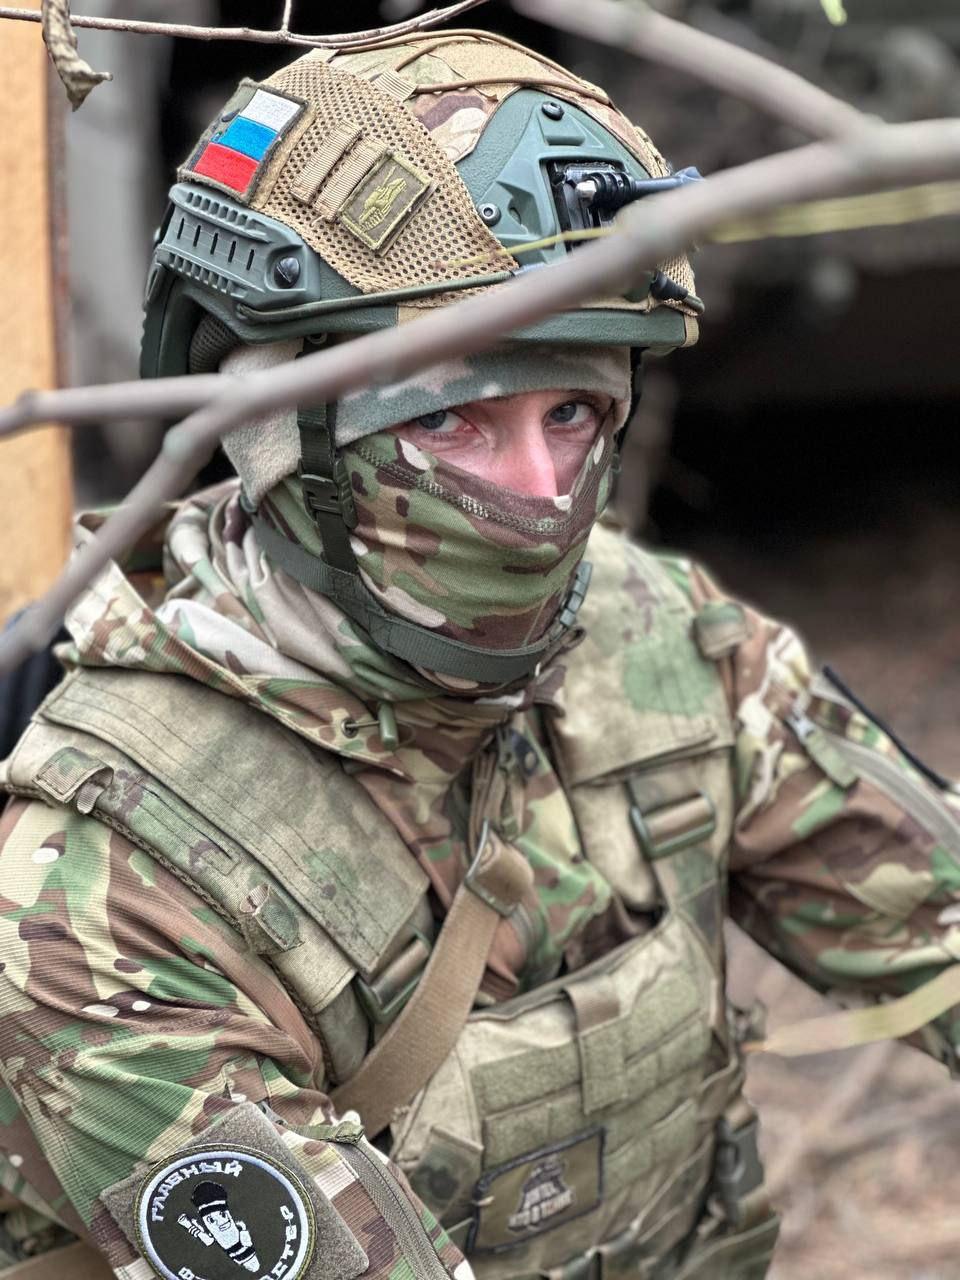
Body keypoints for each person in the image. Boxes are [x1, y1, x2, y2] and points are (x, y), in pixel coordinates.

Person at [1, 25, 959, 1280]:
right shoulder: (106, 886)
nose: (542, 492)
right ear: (279, 433)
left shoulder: (665, 643)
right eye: (455, 419)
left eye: (573, 412)